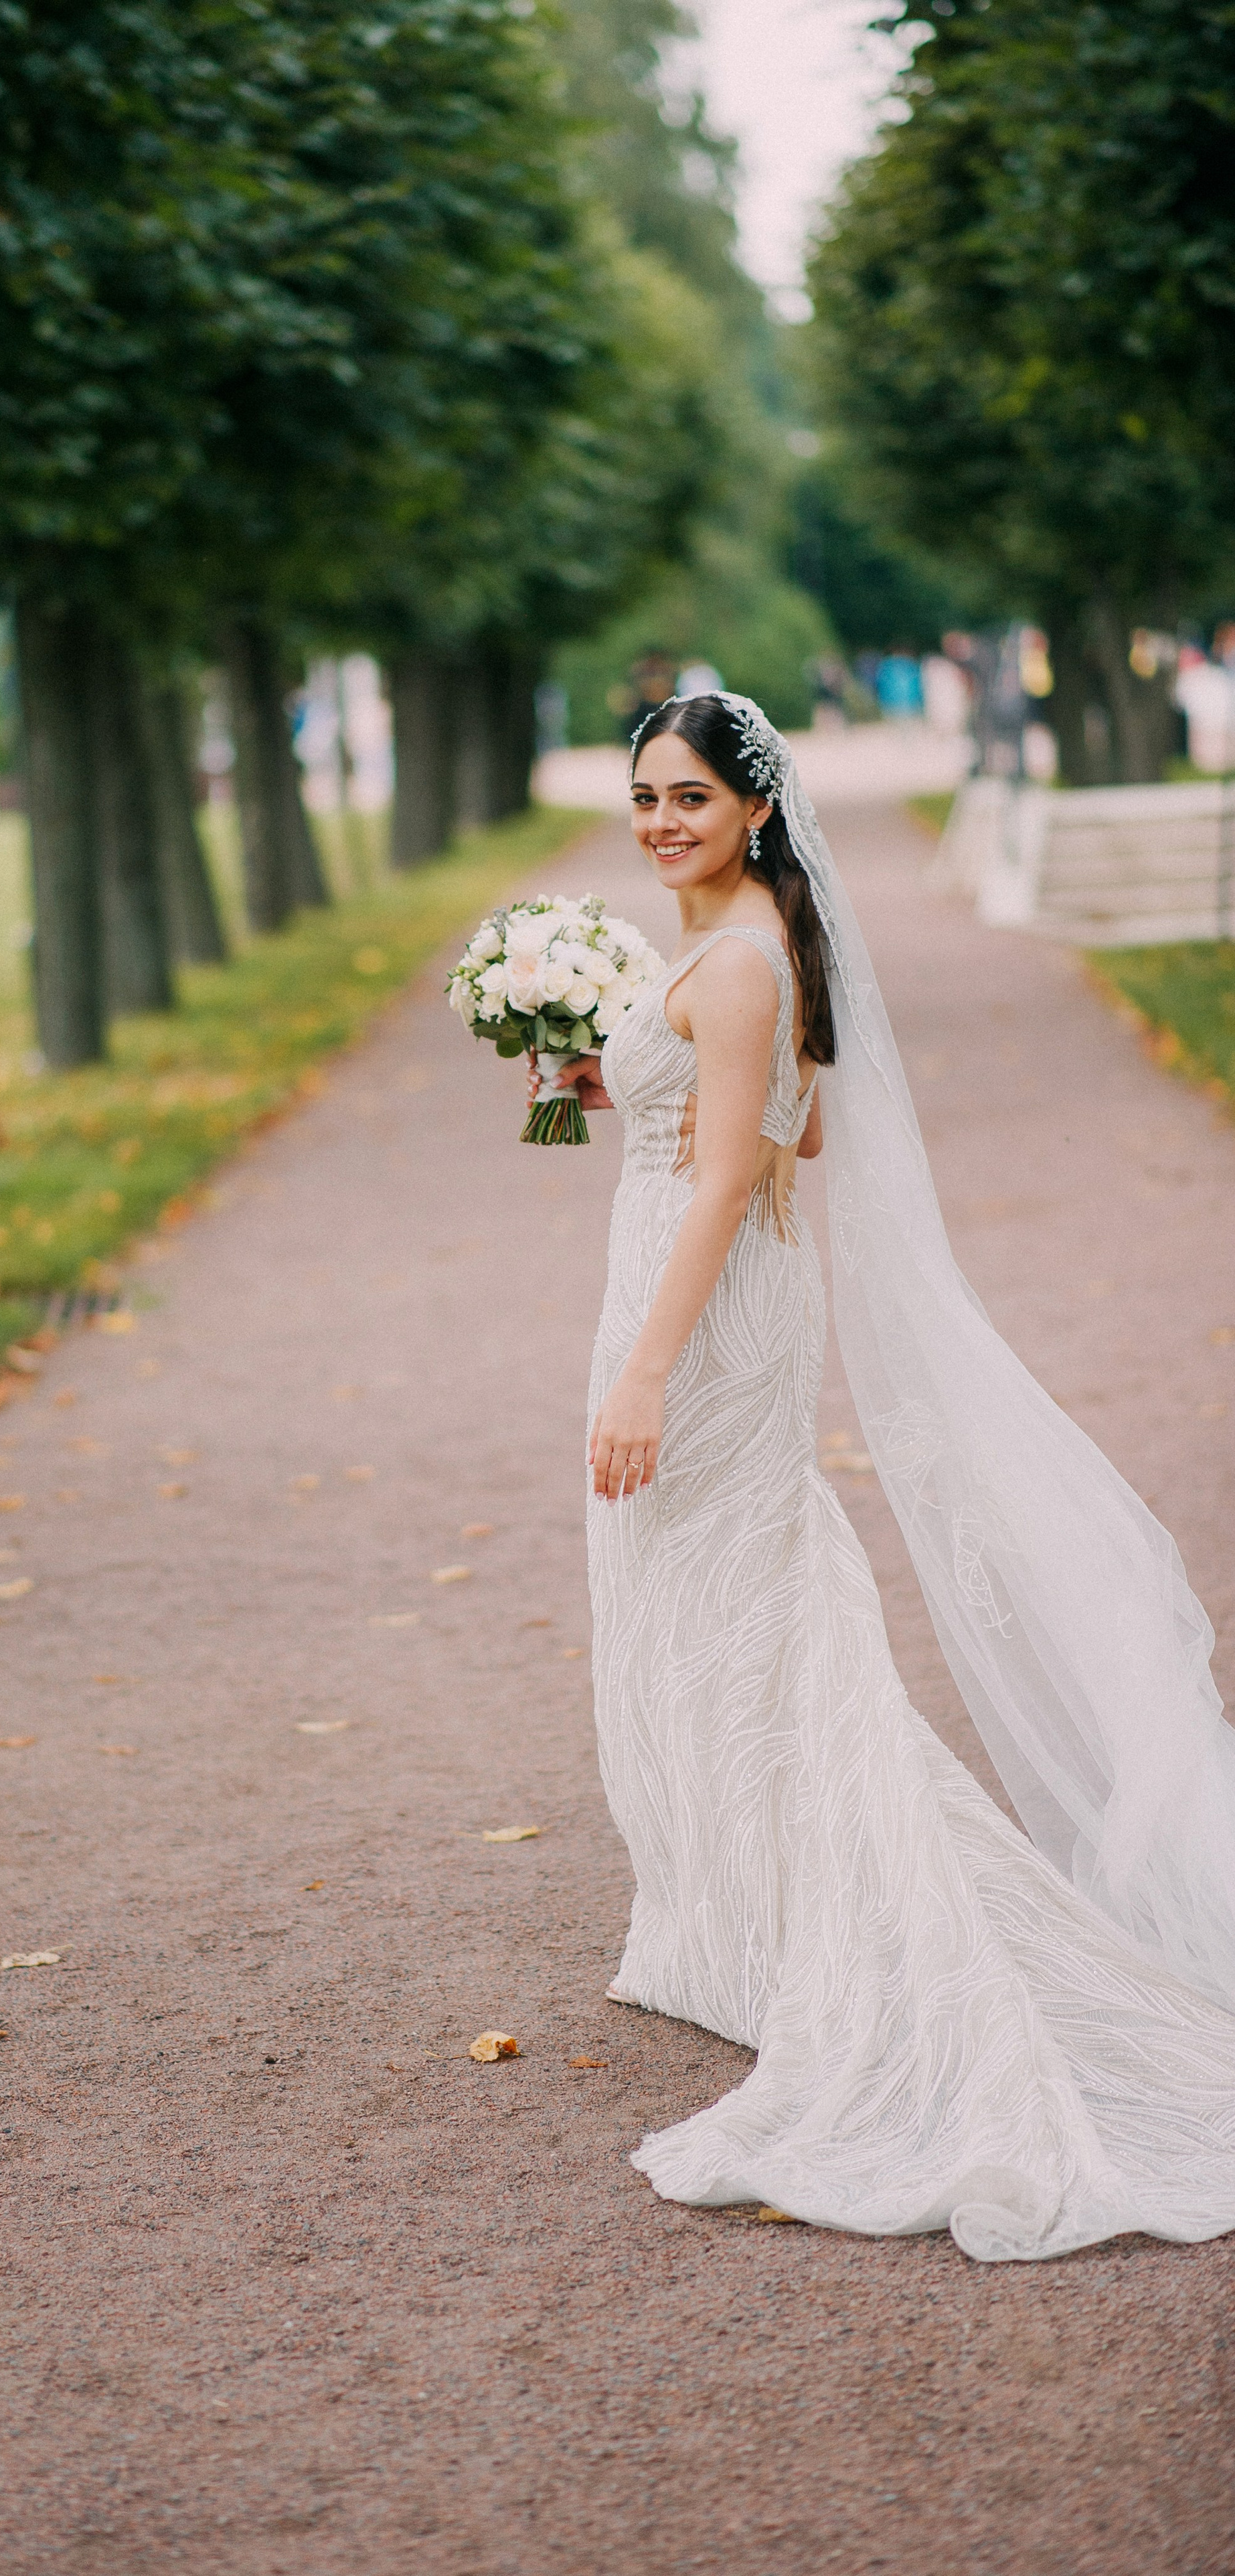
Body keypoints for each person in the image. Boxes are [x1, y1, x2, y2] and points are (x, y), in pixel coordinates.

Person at [545, 690, 1235, 2263]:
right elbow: (761, 1137)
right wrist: (610, 1082)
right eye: (642, 797)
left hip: (699, 1318)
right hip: (719, 1292)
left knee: (726, 1601)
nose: (659, 822)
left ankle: (799, 1930)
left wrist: (648, 1366)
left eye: (688, 802)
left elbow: (728, 1176)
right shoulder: (740, 946)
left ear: (753, 813)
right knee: (723, 1600)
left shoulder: (729, 960)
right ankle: (736, 1919)